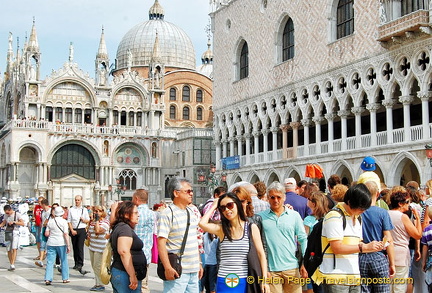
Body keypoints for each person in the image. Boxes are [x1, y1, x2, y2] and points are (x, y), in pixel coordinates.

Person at [312, 183, 384, 293]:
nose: (363, 211)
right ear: (350, 203)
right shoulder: (335, 216)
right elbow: (337, 247)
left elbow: (355, 245)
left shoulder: (358, 218)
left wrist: (371, 247)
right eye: (361, 208)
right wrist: (363, 247)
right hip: (335, 277)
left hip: (354, 276)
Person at [199, 192, 269, 293]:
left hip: (244, 279)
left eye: (230, 205)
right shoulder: (221, 229)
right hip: (224, 280)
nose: (227, 210)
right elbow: (202, 223)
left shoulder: (251, 228)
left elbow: (261, 254)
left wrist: (265, 281)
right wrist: (214, 206)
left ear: (237, 205)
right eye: (223, 208)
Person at [259, 181, 307, 293]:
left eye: (278, 197)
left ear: (284, 197)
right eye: (272, 197)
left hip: (292, 269)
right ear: (267, 198)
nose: (276, 200)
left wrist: (305, 262)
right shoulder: (260, 218)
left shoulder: (294, 215)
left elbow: (303, 239)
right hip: (271, 271)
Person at [157, 177, 203, 292]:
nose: (191, 194)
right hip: (177, 270)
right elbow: (161, 243)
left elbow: (193, 240)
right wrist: (167, 267)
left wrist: (199, 263)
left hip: (193, 269)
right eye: (187, 191)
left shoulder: (191, 212)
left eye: (192, 191)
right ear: (176, 193)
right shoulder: (168, 214)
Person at [358, 180, 395, 293]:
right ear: (377, 194)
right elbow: (388, 239)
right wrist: (392, 263)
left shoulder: (358, 212)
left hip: (361, 255)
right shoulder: (382, 213)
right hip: (378, 256)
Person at [388, 188, 423, 293]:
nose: (409, 204)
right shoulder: (403, 217)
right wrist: (417, 217)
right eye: (407, 202)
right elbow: (417, 235)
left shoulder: (386, 213)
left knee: (389, 288)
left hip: (388, 253)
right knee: (399, 287)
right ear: (400, 203)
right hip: (401, 254)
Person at [110, 201, 146, 293]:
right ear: (126, 215)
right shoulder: (124, 228)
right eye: (135, 213)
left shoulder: (121, 227)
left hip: (122, 273)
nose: (138, 215)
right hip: (124, 273)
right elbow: (124, 252)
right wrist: (132, 275)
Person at [132, 189, 155, 293]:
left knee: (134, 283)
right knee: (144, 283)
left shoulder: (135, 213)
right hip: (146, 253)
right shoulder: (152, 214)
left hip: (133, 254)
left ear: (136, 199)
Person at [44, 206, 70, 285]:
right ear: (62, 213)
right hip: (61, 242)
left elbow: (46, 233)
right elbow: (65, 234)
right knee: (64, 260)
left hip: (51, 243)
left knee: (50, 262)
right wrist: (68, 245)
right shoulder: (64, 222)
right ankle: (65, 278)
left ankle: (48, 278)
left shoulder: (50, 221)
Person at [88, 205, 110, 291]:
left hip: (100, 248)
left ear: (103, 212)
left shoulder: (105, 222)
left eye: (98, 211)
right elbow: (90, 231)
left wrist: (96, 220)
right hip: (93, 246)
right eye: (95, 211)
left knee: (97, 266)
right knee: (94, 266)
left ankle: (100, 284)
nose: (96, 213)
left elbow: (98, 230)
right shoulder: (93, 222)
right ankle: (97, 283)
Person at [67, 195, 90, 274]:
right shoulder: (71, 209)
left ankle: (80, 263)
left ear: (81, 200)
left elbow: (88, 220)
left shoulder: (84, 210)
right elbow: (69, 221)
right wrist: (72, 230)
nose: (77, 201)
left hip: (82, 229)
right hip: (74, 229)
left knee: (80, 247)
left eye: (78, 200)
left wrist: (84, 220)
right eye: (76, 200)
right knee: (74, 246)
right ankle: (76, 262)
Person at [0, 204, 25, 271]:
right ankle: (11, 263)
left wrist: (14, 222)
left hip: (15, 232)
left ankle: (13, 264)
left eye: (8, 212)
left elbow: (23, 223)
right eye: (6, 213)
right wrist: (1, 225)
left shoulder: (17, 214)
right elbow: (4, 222)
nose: (7, 214)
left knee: (14, 248)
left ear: (10, 210)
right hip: (8, 232)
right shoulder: (5, 215)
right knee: (8, 249)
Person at [35, 198, 51, 268]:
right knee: (42, 245)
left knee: (50, 246)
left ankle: (51, 261)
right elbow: (42, 221)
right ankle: (41, 260)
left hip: (50, 230)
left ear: (44, 204)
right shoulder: (43, 212)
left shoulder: (51, 211)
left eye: (41, 204)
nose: (40, 205)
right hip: (43, 229)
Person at [33, 196, 45, 260]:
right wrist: (34, 219)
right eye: (38, 201)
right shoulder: (36, 207)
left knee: (41, 239)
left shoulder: (44, 208)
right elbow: (35, 214)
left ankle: (43, 253)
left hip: (43, 226)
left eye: (41, 201)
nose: (39, 203)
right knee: (37, 240)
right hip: (37, 225)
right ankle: (40, 254)